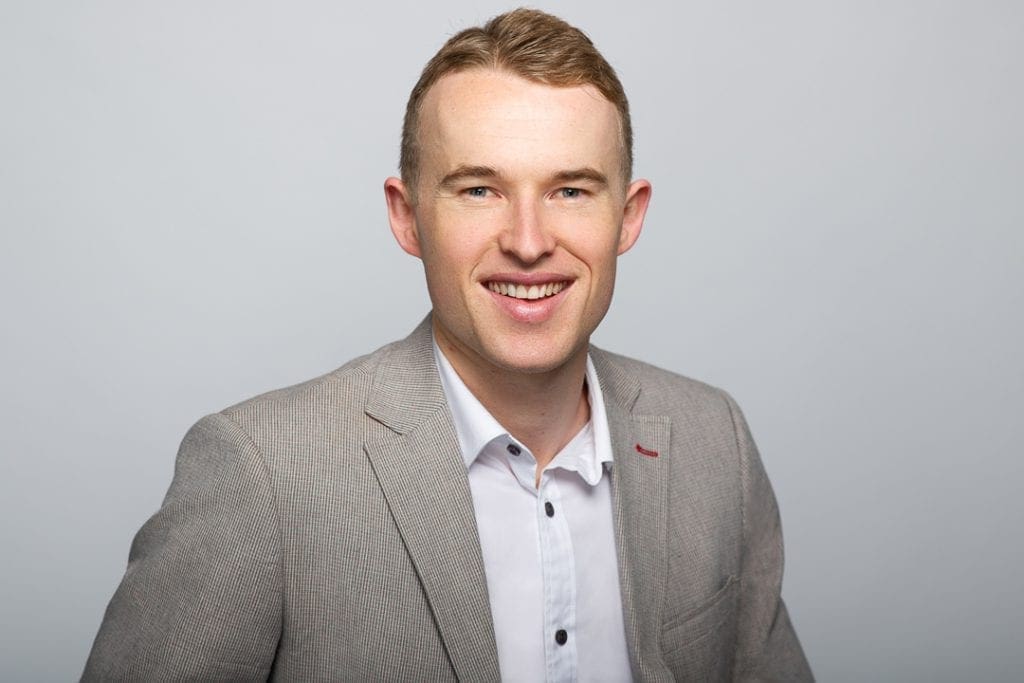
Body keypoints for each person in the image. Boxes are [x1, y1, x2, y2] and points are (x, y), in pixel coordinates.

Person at [83, 8, 812, 682]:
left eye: (571, 191)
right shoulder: (262, 475)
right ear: (407, 218)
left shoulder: (716, 442)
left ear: (629, 215)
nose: (528, 244)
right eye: (478, 190)